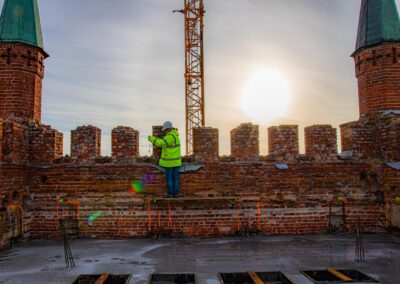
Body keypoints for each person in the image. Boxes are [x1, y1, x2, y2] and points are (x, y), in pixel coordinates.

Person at [148, 121, 182, 198]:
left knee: (169, 178)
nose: (164, 132)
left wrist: (151, 138)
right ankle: (176, 194)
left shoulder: (170, 137)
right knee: (175, 178)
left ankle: (170, 194)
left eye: (165, 130)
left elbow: (160, 143)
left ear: (167, 129)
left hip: (170, 162)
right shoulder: (176, 136)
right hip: (176, 162)